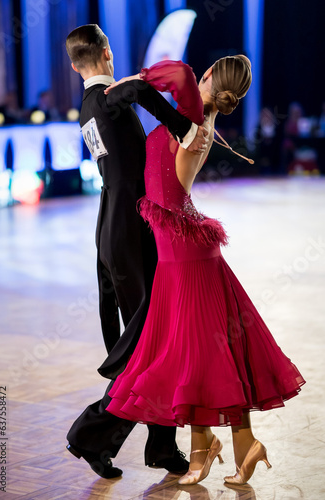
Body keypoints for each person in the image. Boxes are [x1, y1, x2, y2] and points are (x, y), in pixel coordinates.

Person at [104, 56, 306, 485]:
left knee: (199, 353)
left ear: (211, 78)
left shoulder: (194, 114)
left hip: (184, 255)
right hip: (183, 250)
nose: (200, 75)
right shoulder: (196, 119)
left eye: (207, 71)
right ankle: (235, 446)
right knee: (201, 352)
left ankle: (208, 449)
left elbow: (177, 73)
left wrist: (133, 79)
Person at [64, 24, 209, 479]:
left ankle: (162, 447)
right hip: (128, 231)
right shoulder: (108, 97)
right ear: (107, 52)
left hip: (118, 228)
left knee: (157, 340)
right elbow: (140, 90)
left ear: (73, 65)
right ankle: (90, 435)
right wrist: (184, 125)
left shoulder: (87, 108)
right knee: (147, 344)